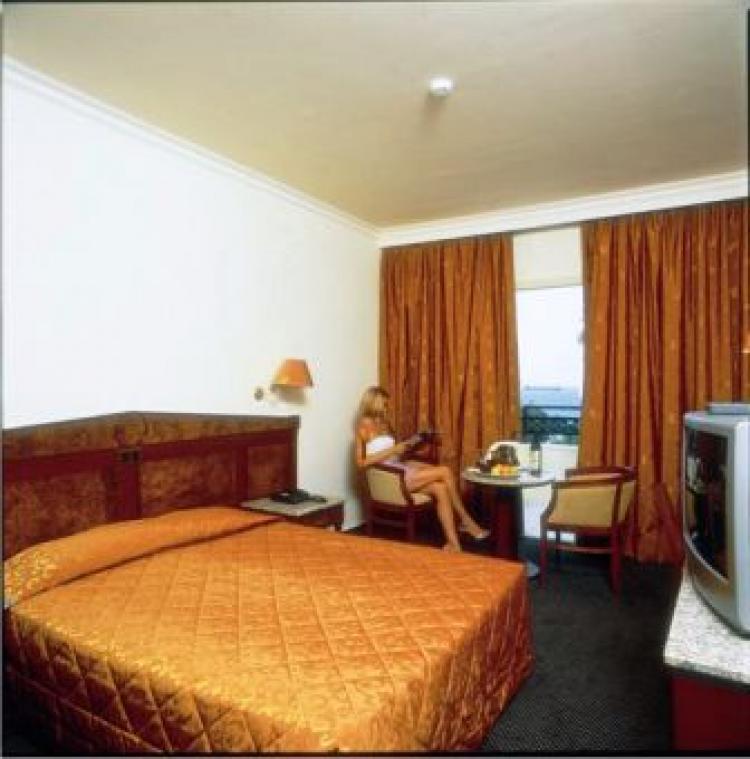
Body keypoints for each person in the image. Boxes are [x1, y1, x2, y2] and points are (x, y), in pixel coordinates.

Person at [354, 385, 490, 552]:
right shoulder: (363, 426)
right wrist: (393, 450)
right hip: (389, 478)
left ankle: (454, 544)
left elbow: (393, 454)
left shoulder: (384, 423)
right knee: (445, 471)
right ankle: (465, 520)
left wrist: (411, 444)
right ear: (374, 403)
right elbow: (361, 462)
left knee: (440, 488)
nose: (387, 408)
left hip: (398, 468)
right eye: (384, 404)